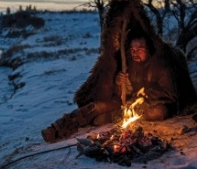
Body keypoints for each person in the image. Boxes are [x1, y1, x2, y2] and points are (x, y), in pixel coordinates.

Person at [41, 31, 183, 143]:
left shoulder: (161, 67)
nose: (135, 53)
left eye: (140, 49)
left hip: (150, 106)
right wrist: (118, 83)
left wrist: (143, 97)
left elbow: (170, 94)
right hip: (125, 105)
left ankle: (115, 118)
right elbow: (122, 94)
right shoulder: (129, 65)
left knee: (157, 112)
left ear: (148, 49)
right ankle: (59, 128)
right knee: (95, 108)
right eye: (132, 50)